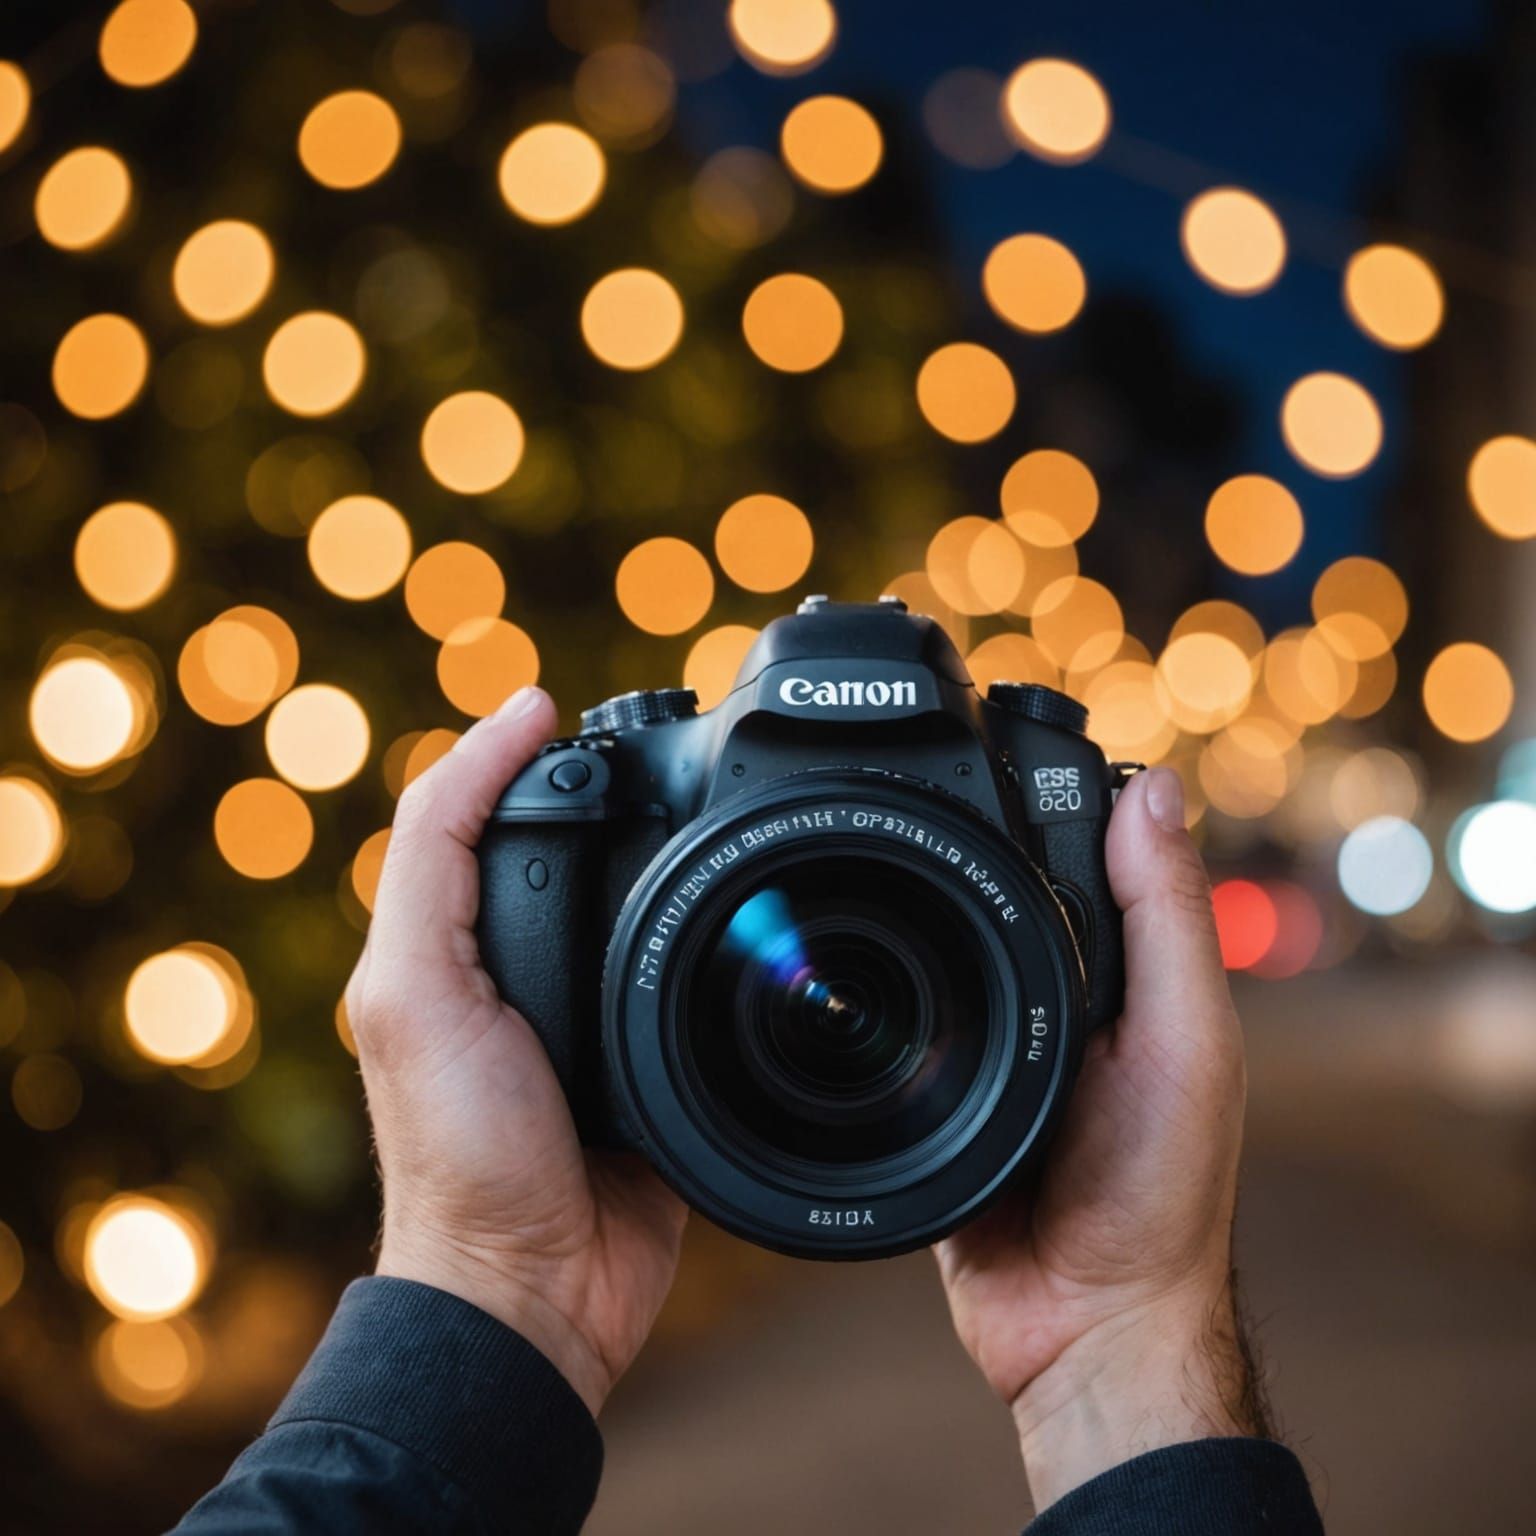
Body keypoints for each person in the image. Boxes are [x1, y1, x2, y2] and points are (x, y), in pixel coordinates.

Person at [174, 686, 1325, 1534]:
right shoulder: (641, 778)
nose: (826, 1000)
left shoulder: (1040, 778)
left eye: (843, 999)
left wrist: (1130, 1323)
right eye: (818, 998)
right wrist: (495, 1264)